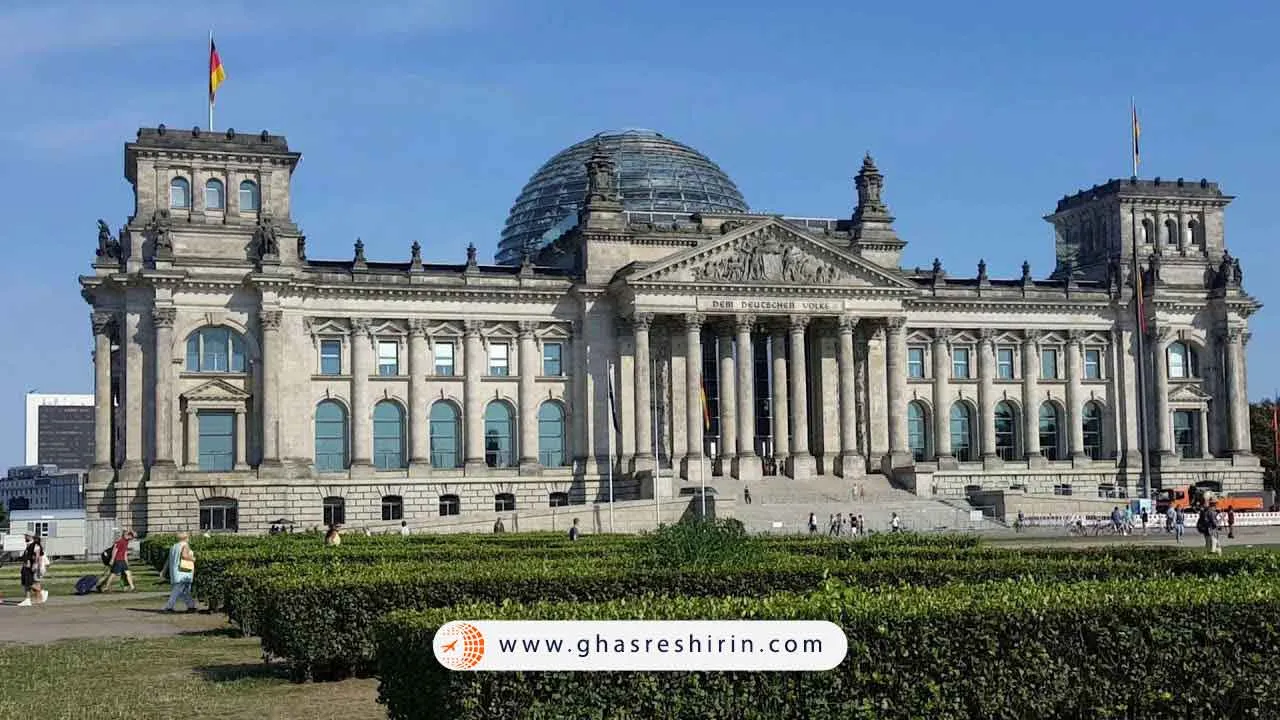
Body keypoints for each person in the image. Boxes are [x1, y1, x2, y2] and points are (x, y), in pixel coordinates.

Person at [162, 532, 197, 613]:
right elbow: (184, 555)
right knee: (178, 590)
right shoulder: (185, 545)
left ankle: (191, 606)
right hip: (183, 571)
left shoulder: (174, 546)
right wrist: (193, 559)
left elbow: (168, 560)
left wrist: (164, 571)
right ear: (186, 538)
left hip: (175, 571)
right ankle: (168, 607)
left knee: (184, 591)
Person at [18, 534, 47, 606]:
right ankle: (28, 599)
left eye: (26, 536)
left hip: (30, 566)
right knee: (25, 583)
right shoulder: (28, 544)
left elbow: (37, 555)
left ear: (30, 536)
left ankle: (40, 592)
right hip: (26, 566)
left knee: (29, 583)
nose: (24, 537)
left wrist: (35, 565)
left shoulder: (35, 545)